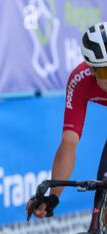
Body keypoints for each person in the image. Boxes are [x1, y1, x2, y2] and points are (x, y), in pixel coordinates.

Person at [26, 22, 107, 219]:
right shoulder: (80, 80)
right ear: (91, 70)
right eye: (105, 71)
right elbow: (69, 143)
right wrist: (53, 197)